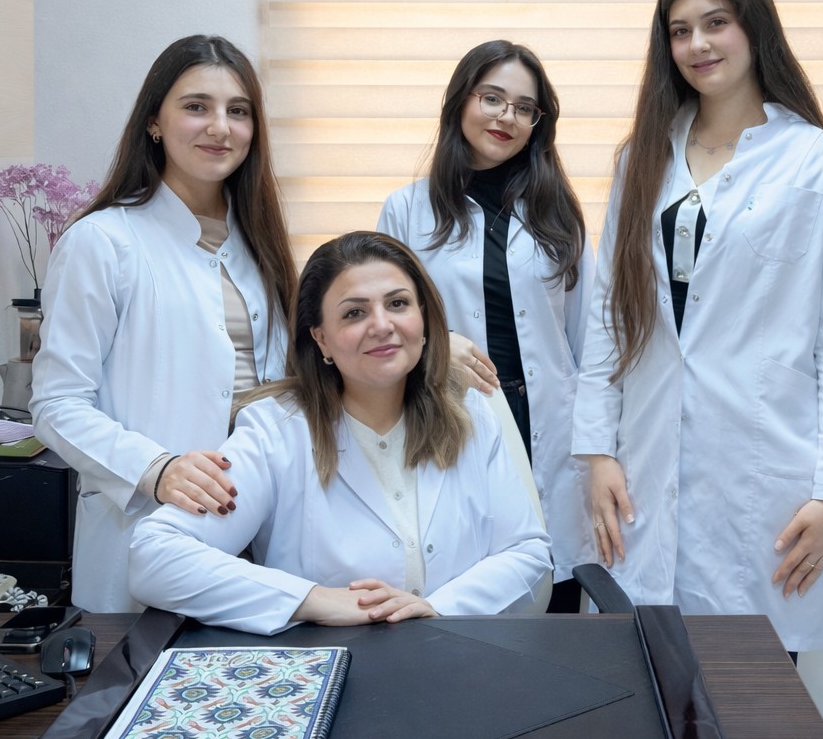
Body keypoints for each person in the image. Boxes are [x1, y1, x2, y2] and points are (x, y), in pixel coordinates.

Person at [572, 0, 823, 652]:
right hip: (645, 462)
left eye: (716, 23)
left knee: (753, 689)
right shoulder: (642, 157)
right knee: (644, 678)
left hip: (763, 469)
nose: (698, 45)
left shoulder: (813, 162)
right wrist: (597, 452)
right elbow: (610, 314)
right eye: (680, 31)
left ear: (753, 28)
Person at [129, 231, 552, 631]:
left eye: (398, 303)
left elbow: (527, 549)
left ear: (424, 318)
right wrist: (314, 600)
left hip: (458, 653)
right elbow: (155, 556)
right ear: (322, 339)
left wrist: (440, 606)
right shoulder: (276, 431)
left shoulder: (470, 414)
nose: (381, 325)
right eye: (354, 313)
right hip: (328, 660)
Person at [30, 35, 296, 612]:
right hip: (152, 526)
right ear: (154, 121)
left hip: (263, 527)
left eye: (238, 111)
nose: (220, 127)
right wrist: (157, 468)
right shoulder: (103, 241)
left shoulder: (264, 246)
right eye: (196, 106)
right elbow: (56, 403)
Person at [377, 40, 594, 611]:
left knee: (557, 598)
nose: (506, 117)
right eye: (492, 98)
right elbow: (383, 325)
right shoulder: (408, 210)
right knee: (471, 594)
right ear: (461, 102)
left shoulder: (558, 216)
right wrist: (436, 346)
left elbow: (588, 342)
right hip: (458, 416)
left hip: (549, 427)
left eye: (525, 108)